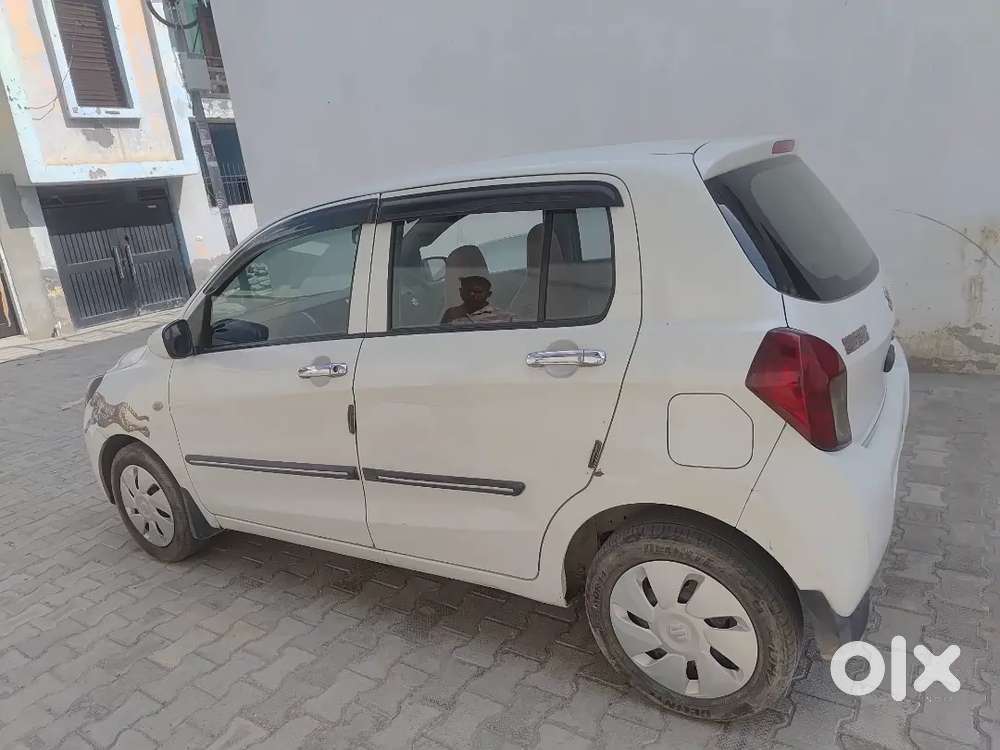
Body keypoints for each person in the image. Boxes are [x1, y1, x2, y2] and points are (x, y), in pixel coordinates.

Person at [441, 275, 513, 326]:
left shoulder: (505, 317)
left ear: (489, 294)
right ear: (460, 291)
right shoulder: (451, 314)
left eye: (478, 292)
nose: (472, 294)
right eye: (468, 291)